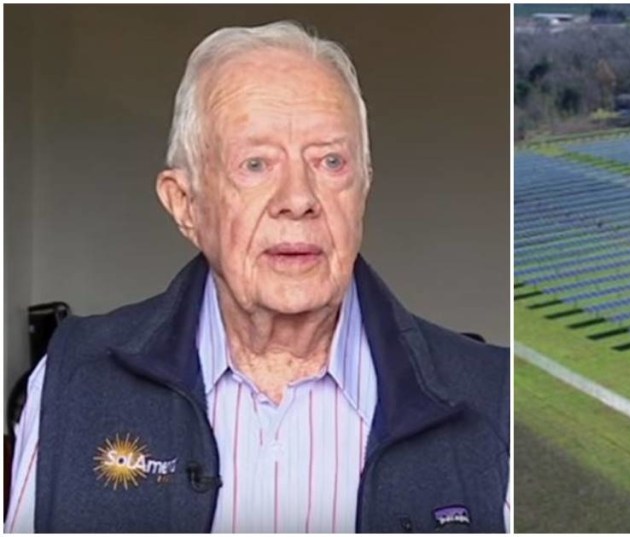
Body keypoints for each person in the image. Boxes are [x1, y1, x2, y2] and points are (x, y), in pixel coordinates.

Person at [4, 21, 509, 533]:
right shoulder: (75, 378)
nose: (298, 199)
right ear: (185, 204)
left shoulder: (495, 397)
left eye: (331, 161)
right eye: (255, 164)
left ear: (364, 189)